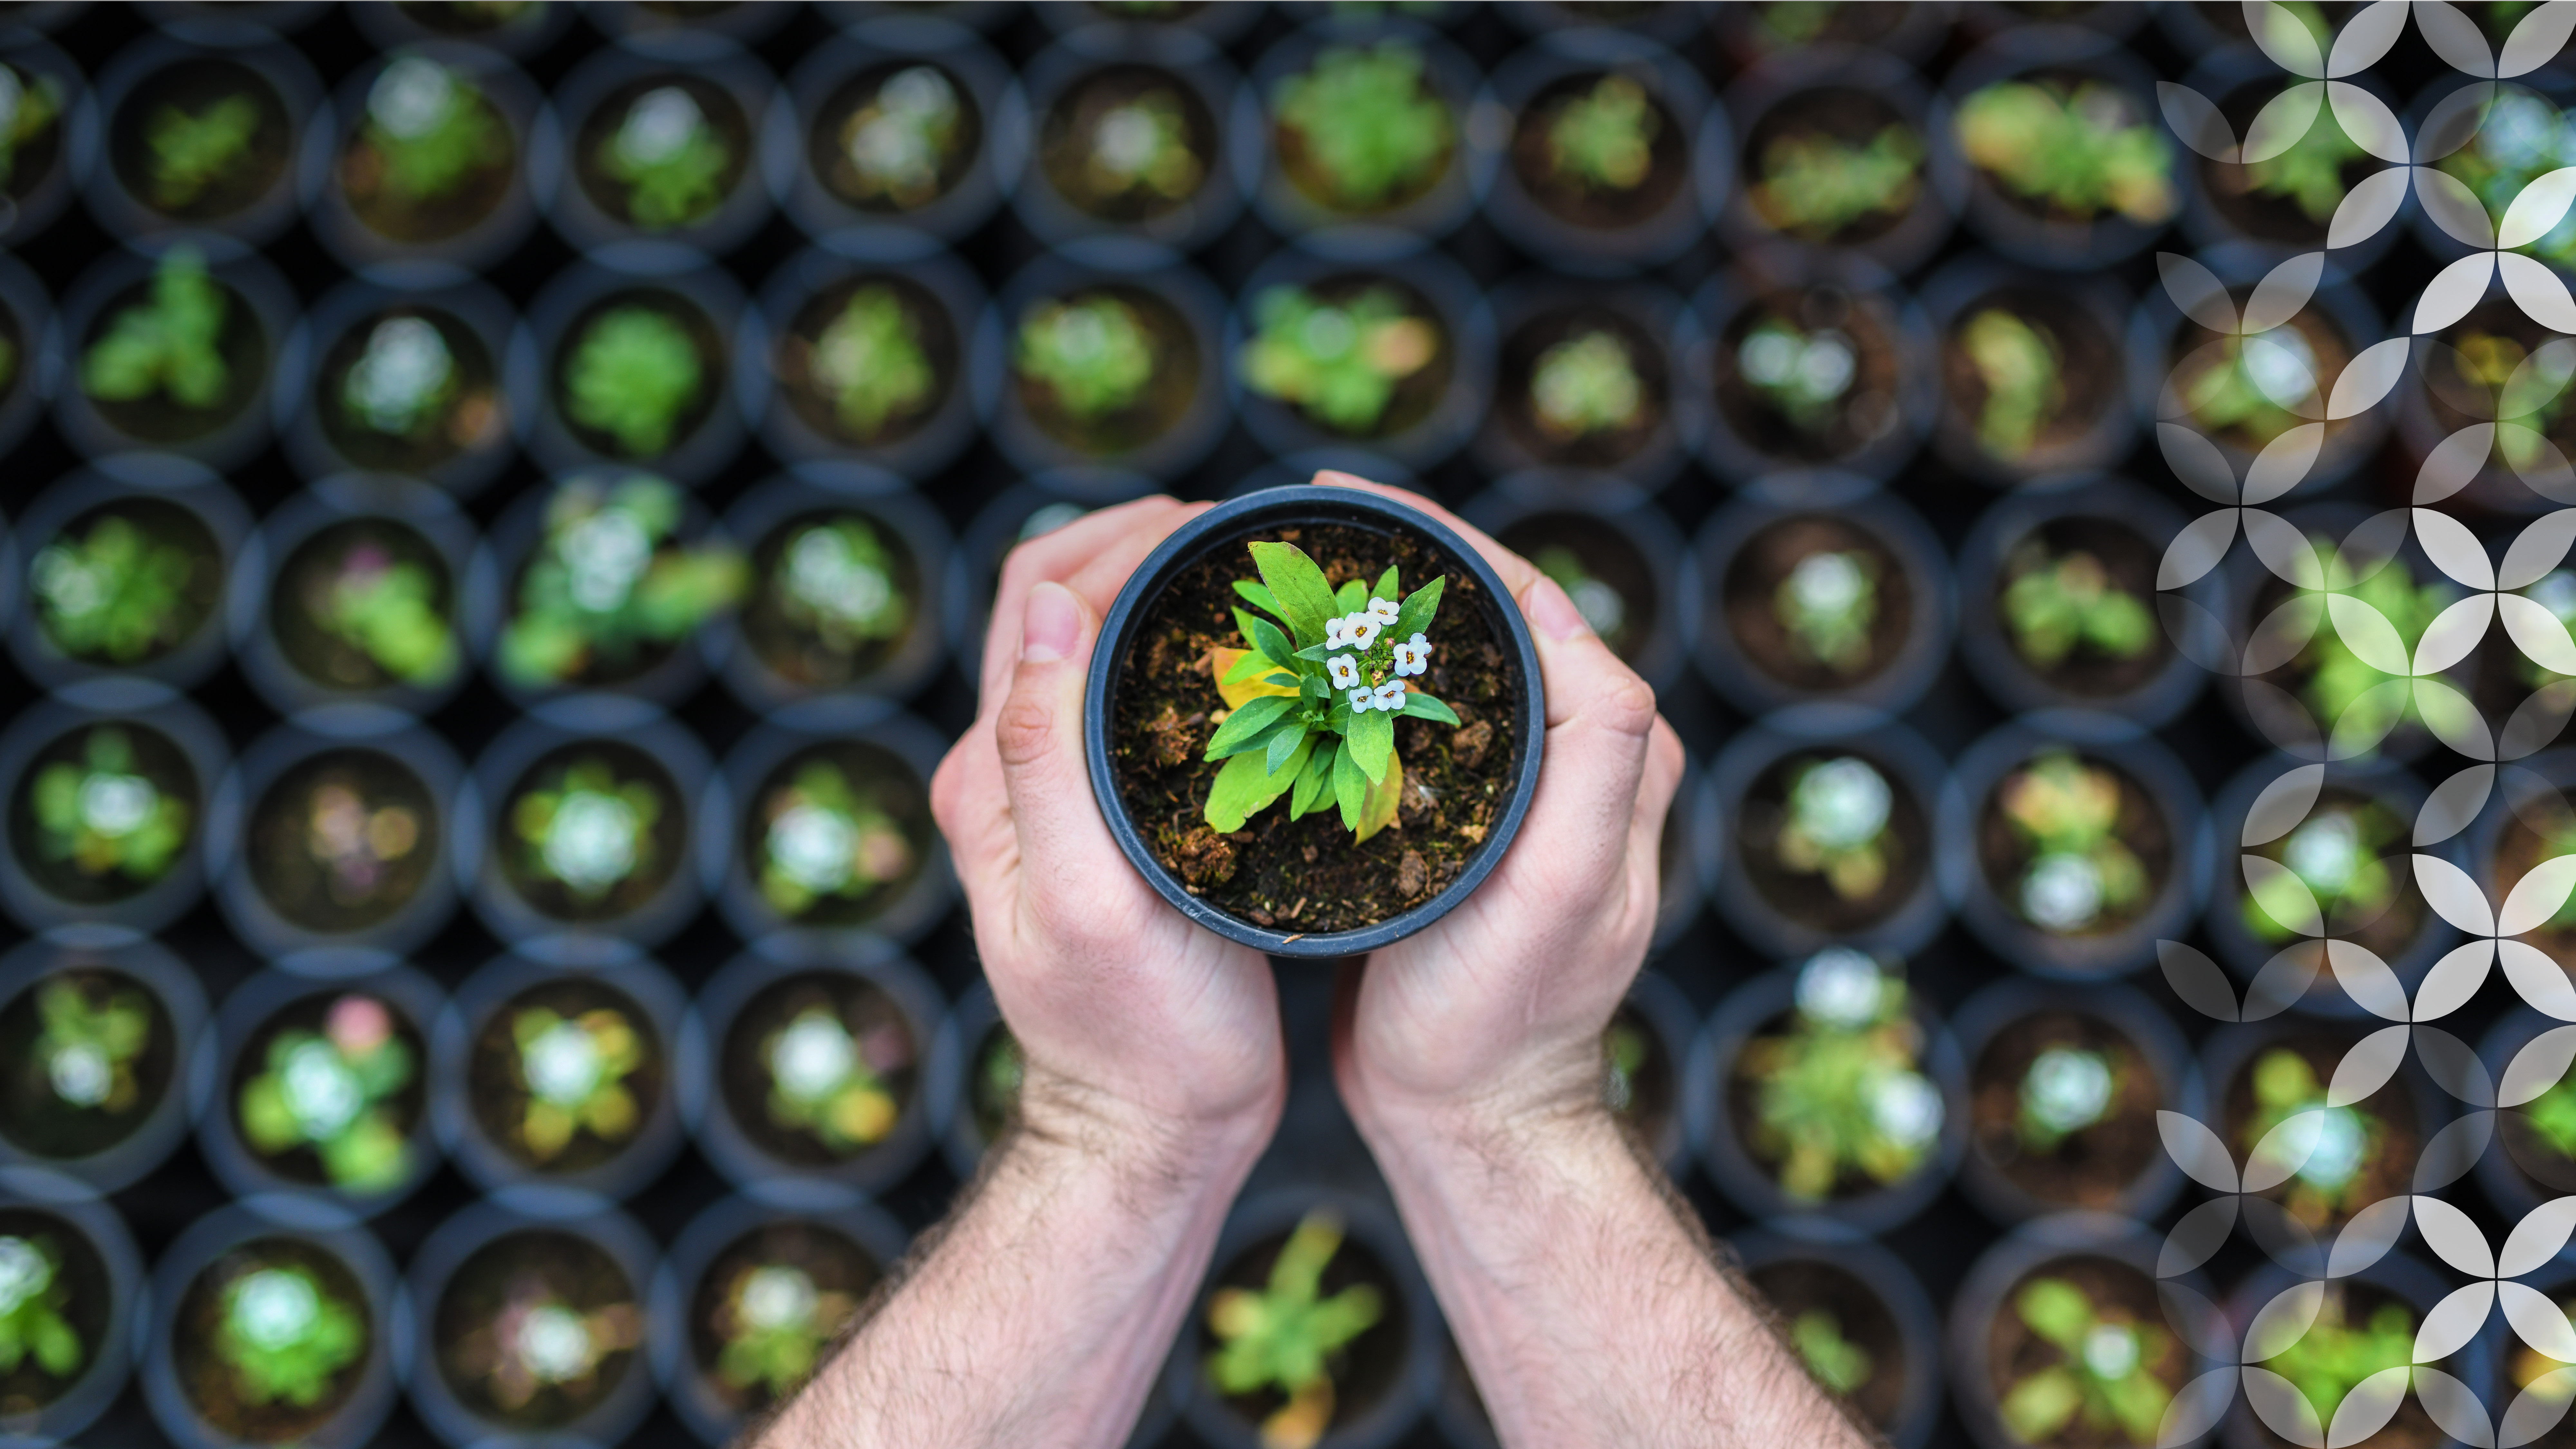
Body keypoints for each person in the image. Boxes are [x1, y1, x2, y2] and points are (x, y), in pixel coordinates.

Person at [748, 475, 1872, 1448]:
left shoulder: (1383, 695)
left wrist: (1121, 1126)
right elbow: (1248, 767)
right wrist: (1500, 1111)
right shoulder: (1290, 674)